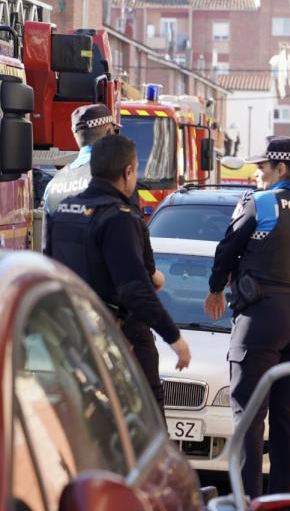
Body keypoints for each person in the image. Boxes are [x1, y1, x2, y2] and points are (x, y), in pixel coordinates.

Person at [204, 137, 290, 498]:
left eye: (263, 168)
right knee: (288, 417)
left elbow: (228, 247)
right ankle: (286, 502)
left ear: (281, 168)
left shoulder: (261, 201)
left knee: (250, 416)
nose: (257, 174)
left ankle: (249, 502)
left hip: (264, 318)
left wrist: (214, 289)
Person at [46, 134, 191, 411]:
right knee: (147, 405)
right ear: (128, 171)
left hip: (68, 333)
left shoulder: (64, 209)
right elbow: (135, 288)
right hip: (110, 333)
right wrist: (175, 338)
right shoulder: (119, 217)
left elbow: (50, 268)